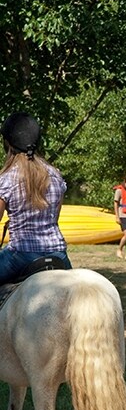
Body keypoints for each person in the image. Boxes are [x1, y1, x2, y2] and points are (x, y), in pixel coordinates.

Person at [0, 112, 71, 285]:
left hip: (21, 255)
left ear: (8, 144)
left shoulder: (6, 178)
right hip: (58, 254)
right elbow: (54, 217)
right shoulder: (55, 175)